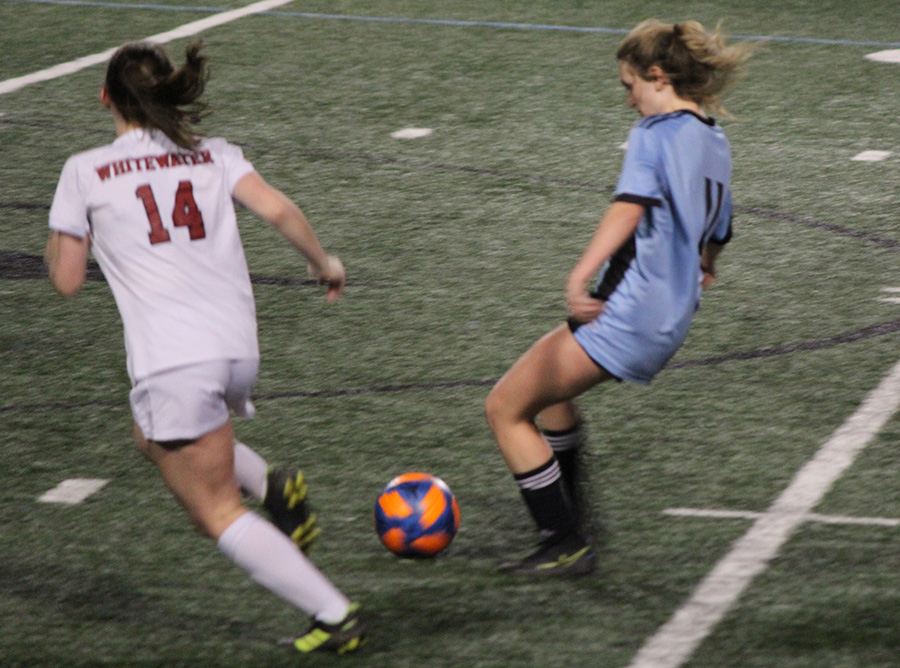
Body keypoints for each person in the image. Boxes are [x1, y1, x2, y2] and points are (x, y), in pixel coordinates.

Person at [45, 40, 365, 653]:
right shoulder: (214, 154)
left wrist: (60, 230)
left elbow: (64, 281)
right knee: (151, 435)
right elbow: (277, 208)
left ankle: (334, 614)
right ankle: (271, 485)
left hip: (174, 359)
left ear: (105, 97)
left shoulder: (84, 170)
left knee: (213, 512)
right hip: (237, 350)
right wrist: (324, 264)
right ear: (167, 89)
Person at [485, 19, 753, 576]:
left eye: (629, 85)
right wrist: (706, 265)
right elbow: (719, 230)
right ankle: (573, 517)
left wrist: (579, 273)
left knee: (504, 409)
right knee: (552, 397)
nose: (628, 99)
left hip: (627, 313)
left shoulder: (655, 134)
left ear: (657, 76)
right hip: (670, 318)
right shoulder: (715, 139)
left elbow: (627, 206)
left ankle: (563, 541)